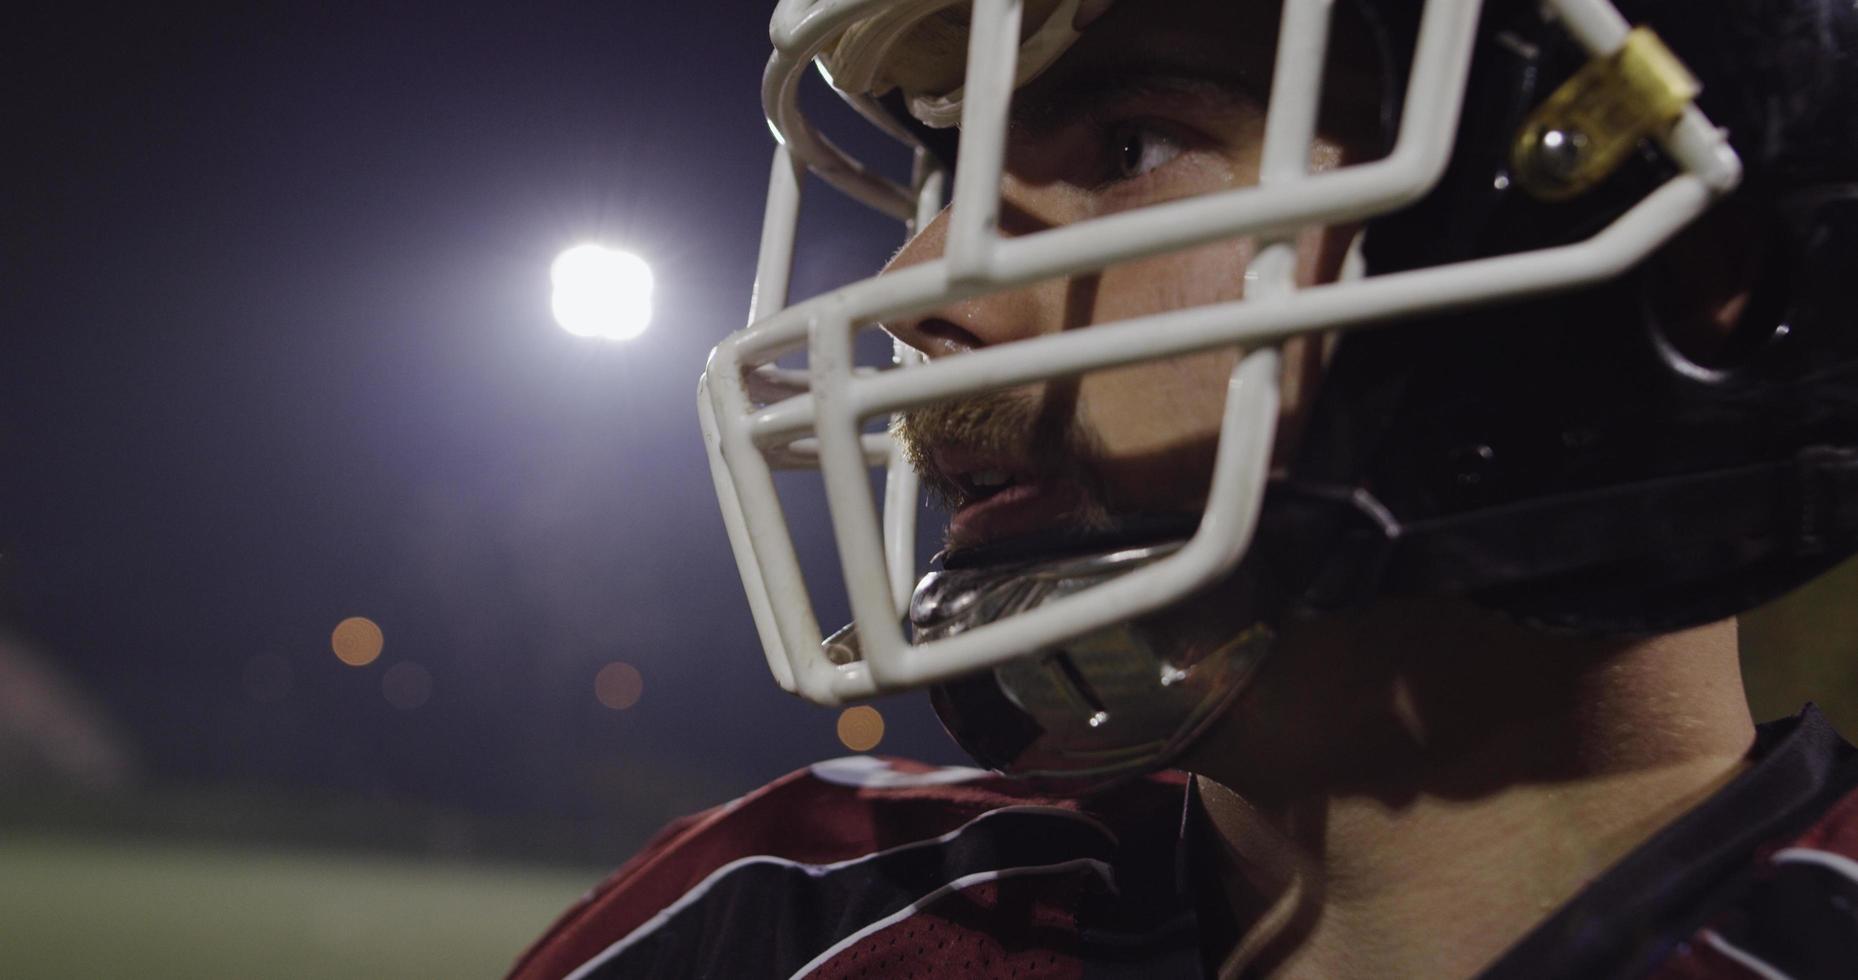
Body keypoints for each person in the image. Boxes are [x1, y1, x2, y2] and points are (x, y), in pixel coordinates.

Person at [512, 0, 1858, 976]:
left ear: (1666, 275)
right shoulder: (776, 922)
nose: (911, 297)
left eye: (1129, 145)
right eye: (951, 175)